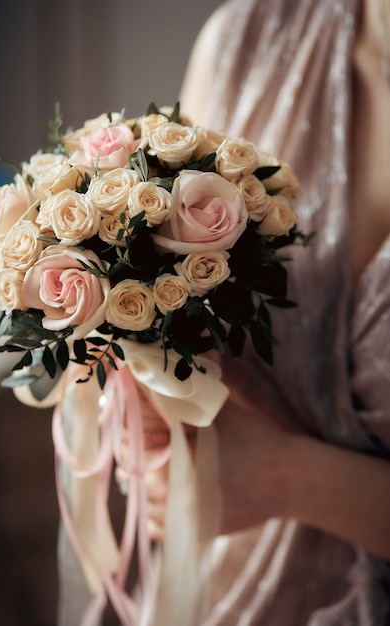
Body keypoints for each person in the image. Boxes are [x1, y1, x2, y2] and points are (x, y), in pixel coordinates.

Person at [121, 0, 390, 623]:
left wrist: (288, 477)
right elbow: (175, 317)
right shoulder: (246, 42)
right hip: (229, 596)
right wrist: (149, 391)